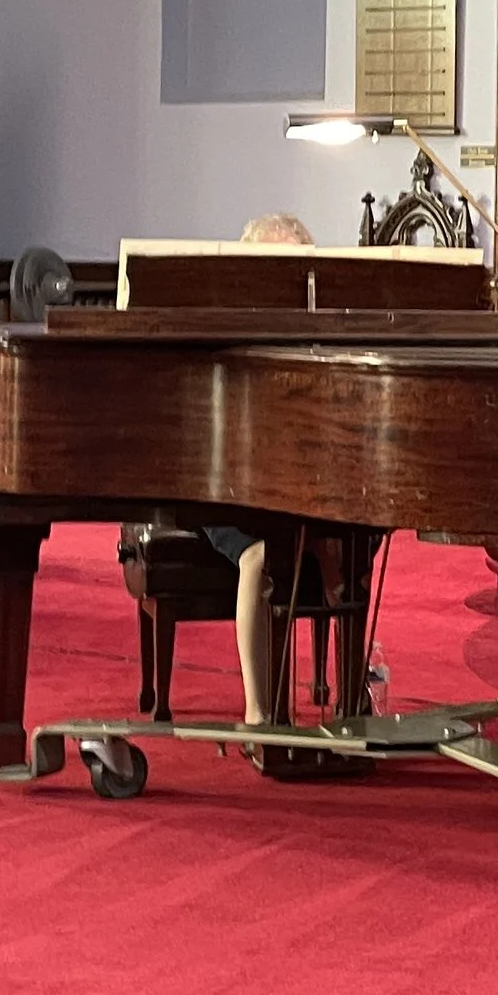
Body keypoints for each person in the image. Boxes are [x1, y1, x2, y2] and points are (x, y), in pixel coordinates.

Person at [208, 212, 314, 733]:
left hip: (299, 487)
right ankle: (257, 711)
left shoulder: (318, 342)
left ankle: (351, 695)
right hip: (229, 488)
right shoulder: (227, 335)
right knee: (258, 555)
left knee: (351, 548)